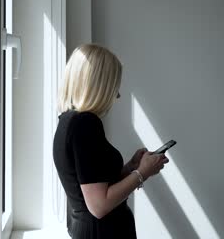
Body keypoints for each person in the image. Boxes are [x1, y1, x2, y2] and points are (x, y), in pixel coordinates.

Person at [53, 44, 169, 239]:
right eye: (114, 86)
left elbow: (92, 184)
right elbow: (99, 206)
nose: (117, 95)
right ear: (98, 86)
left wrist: (130, 167)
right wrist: (142, 173)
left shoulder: (68, 120)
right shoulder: (85, 124)